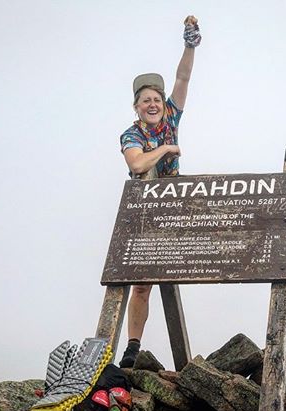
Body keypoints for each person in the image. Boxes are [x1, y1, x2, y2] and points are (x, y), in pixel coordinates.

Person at [118, 16, 201, 368]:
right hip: (147, 209)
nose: (152, 104)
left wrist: (189, 43)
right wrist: (167, 150)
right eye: (145, 100)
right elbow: (137, 165)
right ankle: (132, 348)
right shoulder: (131, 135)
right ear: (136, 107)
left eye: (156, 98)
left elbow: (182, 78)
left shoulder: (170, 117)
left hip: (176, 206)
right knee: (141, 285)